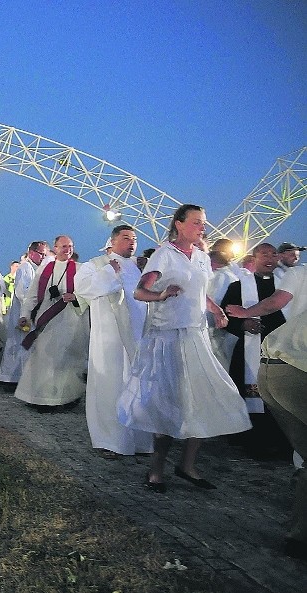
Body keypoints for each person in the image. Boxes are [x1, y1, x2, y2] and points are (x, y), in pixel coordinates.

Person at [117, 204, 251, 493]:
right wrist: (162, 294)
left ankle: (187, 465)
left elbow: (200, 293)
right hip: (168, 337)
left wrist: (216, 310)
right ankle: (156, 471)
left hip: (196, 335)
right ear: (179, 224)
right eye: (196, 222)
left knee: (201, 397)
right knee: (167, 402)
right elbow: (140, 291)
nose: (202, 227)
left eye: (203, 223)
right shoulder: (165, 254)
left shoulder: (202, 257)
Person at [226, 265, 307, 559]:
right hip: (297, 372)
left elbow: (277, 303)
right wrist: (245, 315)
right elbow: (276, 302)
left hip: (272, 368)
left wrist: (247, 312)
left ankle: (298, 538)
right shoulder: (299, 273)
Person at [76, 225, 153, 458]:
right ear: (112, 241)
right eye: (126, 238)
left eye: (135, 239)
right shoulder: (96, 265)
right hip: (109, 338)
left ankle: (139, 441)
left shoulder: (140, 267)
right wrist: (110, 271)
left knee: (136, 387)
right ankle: (110, 441)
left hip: (138, 337)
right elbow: (83, 288)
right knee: (110, 386)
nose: (131, 242)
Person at [220, 243, 289, 457]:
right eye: (264, 254)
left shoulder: (288, 286)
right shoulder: (238, 286)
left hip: (282, 349)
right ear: (254, 258)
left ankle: (282, 441)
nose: (269, 258)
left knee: (281, 394)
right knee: (250, 392)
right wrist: (242, 324)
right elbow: (225, 315)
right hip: (250, 348)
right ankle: (251, 440)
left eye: (272, 254)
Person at [14, 235, 89, 409]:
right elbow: (32, 294)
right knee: (44, 358)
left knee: (65, 361)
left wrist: (76, 296)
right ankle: (40, 398)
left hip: (70, 320)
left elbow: (87, 293)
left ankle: (65, 398)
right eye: (63, 246)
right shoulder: (45, 269)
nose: (67, 249)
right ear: (55, 248)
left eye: (70, 246)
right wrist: (24, 314)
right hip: (47, 320)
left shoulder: (80, 268)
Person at [0, 241, 48, 387]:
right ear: (32, 252)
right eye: (41, 253)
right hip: (24, 313)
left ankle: (21, 378)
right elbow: (22, 292)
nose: (43, 257)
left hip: (33, 312)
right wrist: (34, 306)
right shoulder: (25, 268)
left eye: (45, 254)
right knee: (18, 344)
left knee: (26, 345)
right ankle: (10, 379)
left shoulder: (38, 268)